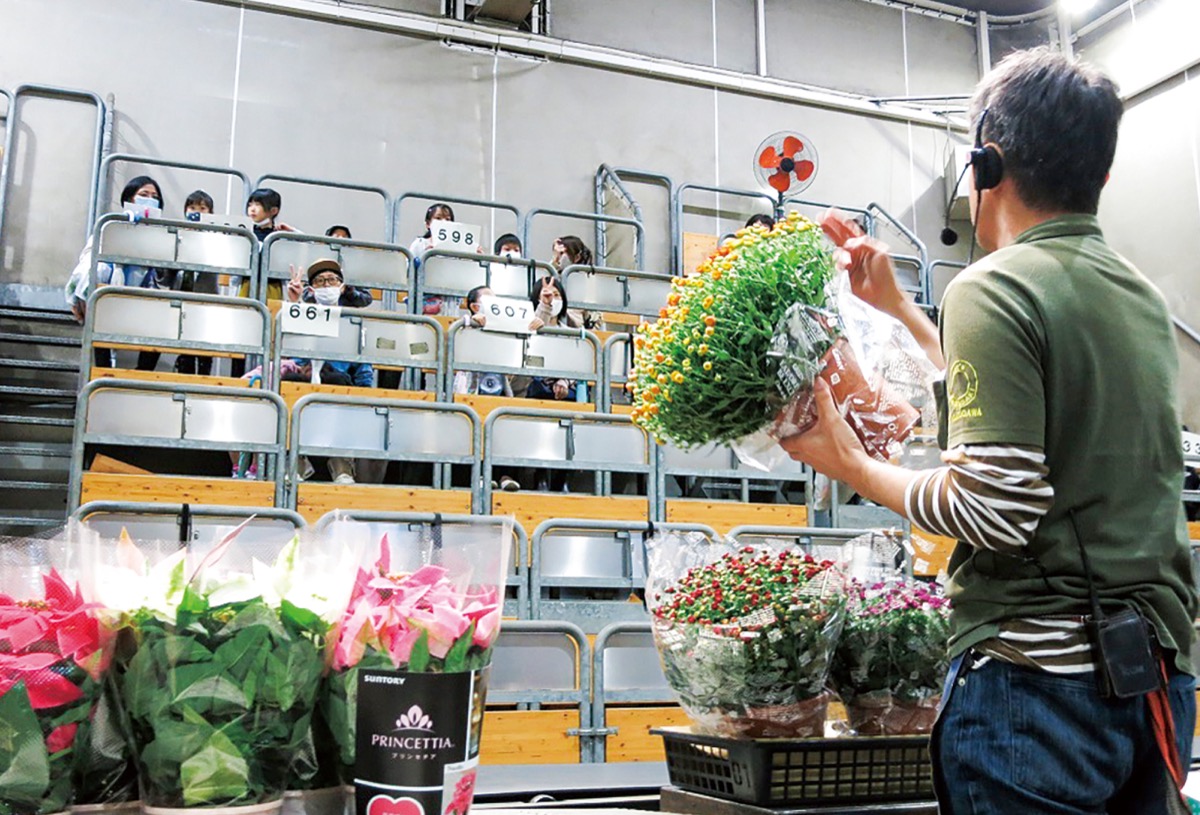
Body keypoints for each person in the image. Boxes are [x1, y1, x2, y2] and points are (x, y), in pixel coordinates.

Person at [782, 48, 1197, 814]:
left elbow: (993, 509)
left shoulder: (992, 286)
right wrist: (904, 311)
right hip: (1154, 685)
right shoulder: (1138, 295)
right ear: (1100, 177)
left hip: (1039, 700)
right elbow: (1028, 414)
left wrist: (849, 463)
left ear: (984, 164)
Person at [65, 175, 167, 371]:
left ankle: (141, 376)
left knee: (162, 319)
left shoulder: (162, 235)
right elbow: (88, 261)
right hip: (110, 298)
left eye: (154, 196)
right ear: (129, 200)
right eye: (143, 194)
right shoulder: (109, 226)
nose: (149, 199)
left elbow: (164, 275)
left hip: (141, 301)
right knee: (99, 290)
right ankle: (103, 373)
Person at [453, 284, 542, 492]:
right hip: (471, 390)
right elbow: (455, 345)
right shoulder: (464, 325)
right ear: (475, 306)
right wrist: (470, 324)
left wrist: (533, 328)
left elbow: (523, 353)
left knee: (504, 424)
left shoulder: (504, 327)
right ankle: (480, 476)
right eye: (487, 300)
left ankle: (504, 475)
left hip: (501, 387)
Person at [174, 190, 219, 376]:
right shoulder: (177, 233)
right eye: (192, 207)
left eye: (202, 208)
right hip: (182, 295)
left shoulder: (216, 237)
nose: (196, 212)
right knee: (183, 343)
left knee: (204, 347)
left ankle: (203, 380)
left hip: (205, 300)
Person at [526, 274, 579, 402]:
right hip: (531, 391)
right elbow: (538, 336)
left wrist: (565, 381)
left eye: (556, 295)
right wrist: (545, 305)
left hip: (564, 395)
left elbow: (576, 364)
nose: (552, 299)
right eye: (546, 295)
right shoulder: (527, 326)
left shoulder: (571, 333)